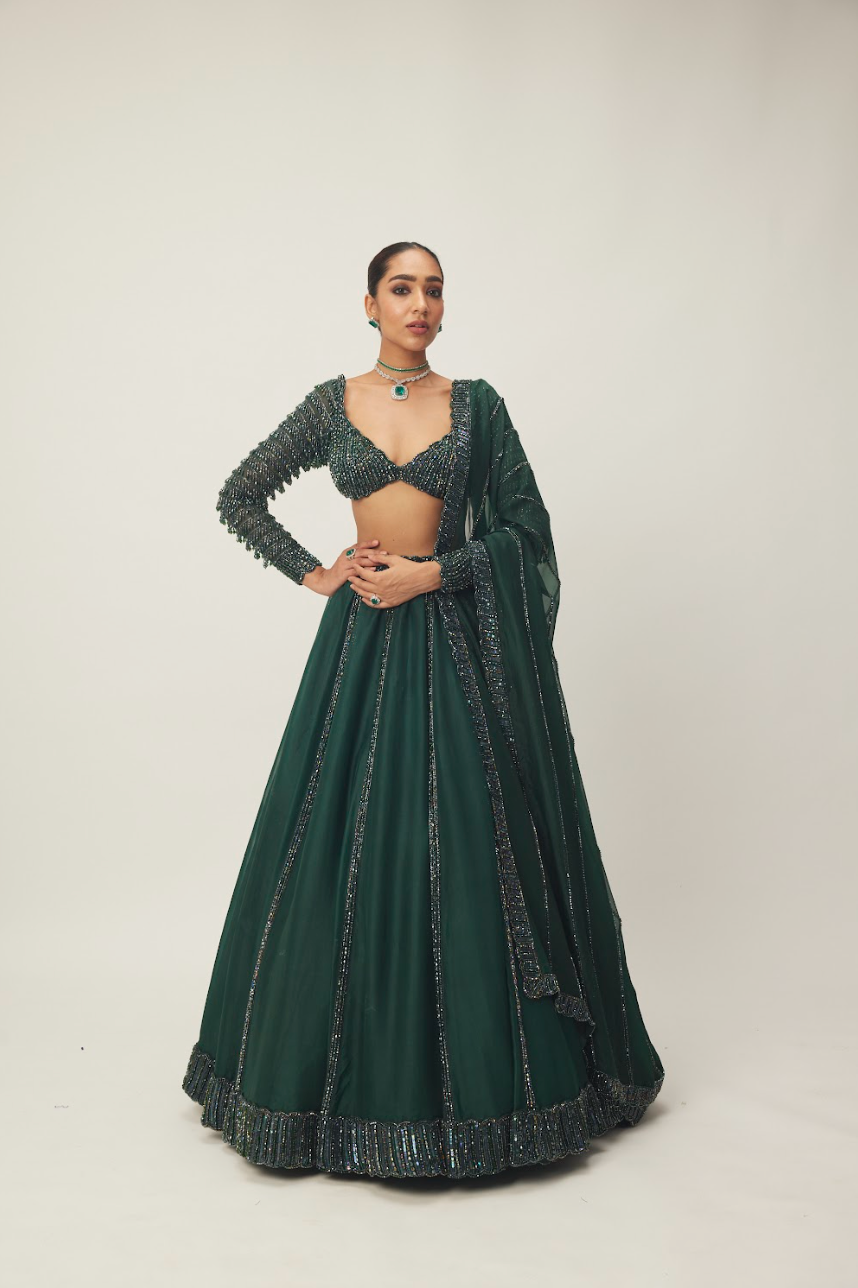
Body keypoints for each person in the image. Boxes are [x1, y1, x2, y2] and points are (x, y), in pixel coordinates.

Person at [180, 240, 665, 1180]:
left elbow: (526, 532)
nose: (420, 304)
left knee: (467, 838)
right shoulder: (331, 405)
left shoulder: (478, 406)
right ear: (369, 303)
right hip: (359, 646)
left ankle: (493, 1088)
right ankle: (321, 1087)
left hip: (454, 644)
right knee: (337, 842)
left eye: (434, 290)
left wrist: (434, 573)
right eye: (401, 288)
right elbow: (240, 496)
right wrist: (318, 573)